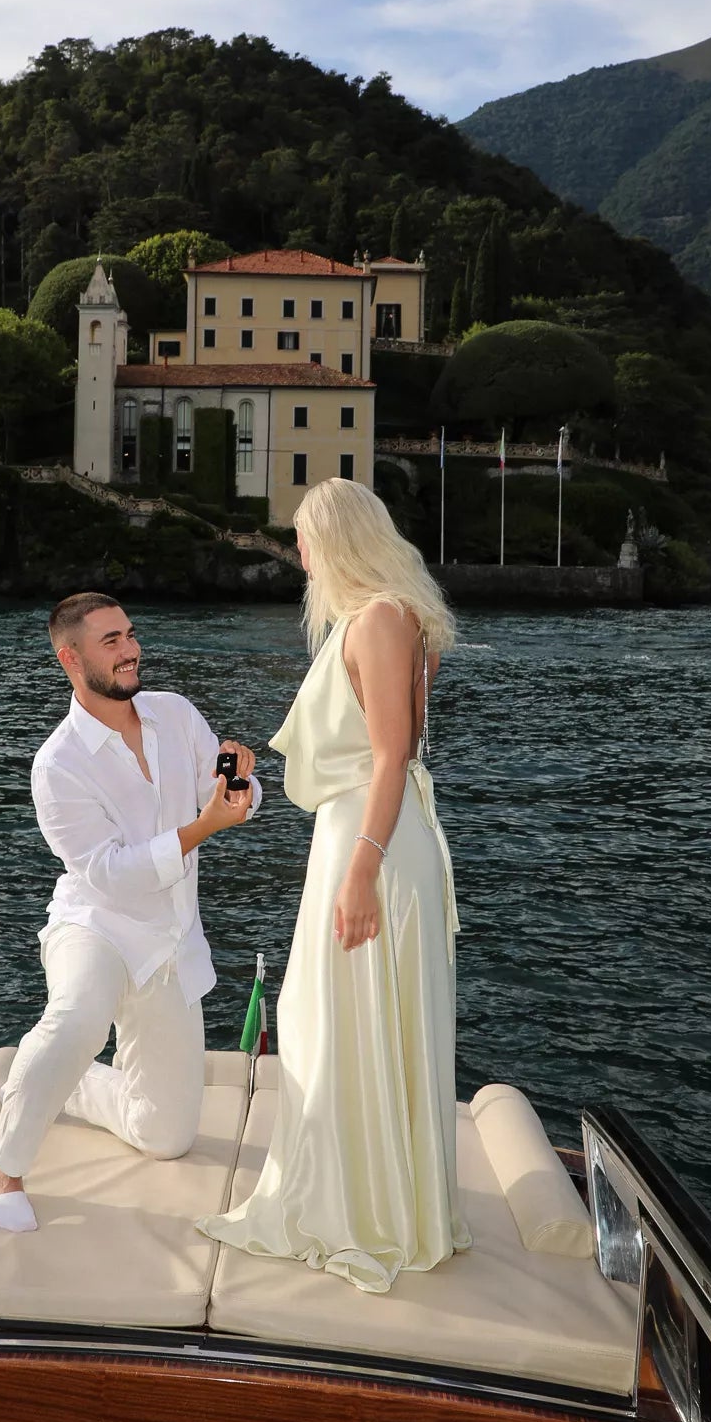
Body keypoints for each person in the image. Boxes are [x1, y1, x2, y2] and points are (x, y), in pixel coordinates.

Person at [199, 478, 468, 1292]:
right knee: (339, 1020)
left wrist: (360, 870)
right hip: (365, 835)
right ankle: (381, 1199)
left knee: (342, 1019)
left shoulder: (381, 619)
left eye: (306, 537)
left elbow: (390, 756)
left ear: (336, 540)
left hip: (370, 842)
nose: (300, 553)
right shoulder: (380, 617)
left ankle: (365, 1214)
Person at [0, 591, 260, 1232]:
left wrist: (238, 783)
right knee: (78, 1016)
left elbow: (225, 795)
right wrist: (204, 829)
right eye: (112, 641)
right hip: (97, 925)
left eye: (130, 634)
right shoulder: (57, 766)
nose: (132, 649)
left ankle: (64, 1082)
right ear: (70, 657)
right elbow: (111, 873)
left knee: (165, 1137)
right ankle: (5, 1167)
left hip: (170, 936)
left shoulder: (176, 714)